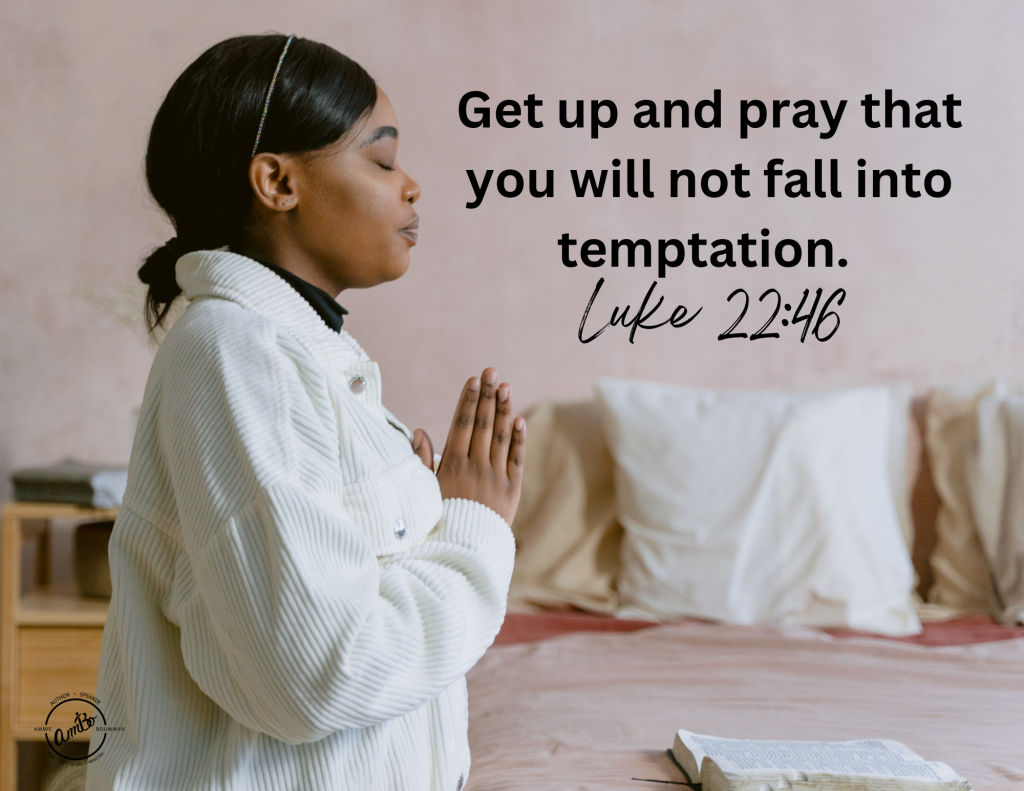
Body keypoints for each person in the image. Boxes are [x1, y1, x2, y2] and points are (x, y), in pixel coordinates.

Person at [86, 34, 526, 791]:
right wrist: (472, 531)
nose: (413, 186)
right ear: (276, 182)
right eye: (383, 161)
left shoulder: (294, 355)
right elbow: (318, 673)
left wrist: (421, 508)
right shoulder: (237, 352)